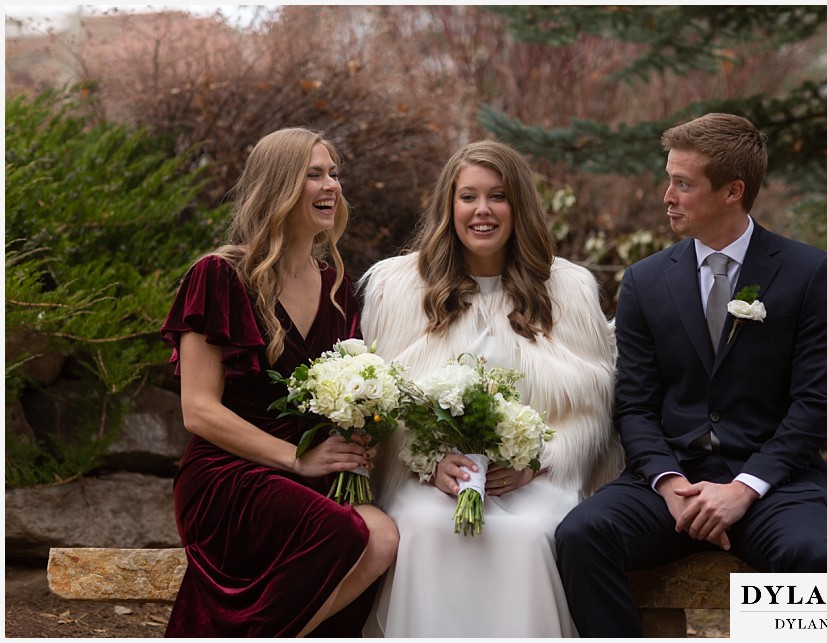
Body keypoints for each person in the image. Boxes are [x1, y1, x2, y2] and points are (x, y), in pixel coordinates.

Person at [555, 113, 827, 636]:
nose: (667, 195)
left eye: (683, 183)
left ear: (733, 190)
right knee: (582, 534)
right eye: (669, 178)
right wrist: (669, 483)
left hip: (774, 485)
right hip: (672, 482)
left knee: (813, 558)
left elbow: (816, 406)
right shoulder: (645, 281)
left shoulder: (809, 274)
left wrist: (744, 488)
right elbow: (637, 406)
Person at [359, 140, 620, 637]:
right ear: (448, 206)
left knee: (525, 535)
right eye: (468, 197)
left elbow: (591, 408)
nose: (483, 210)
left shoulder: (568, 288)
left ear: (517, 205)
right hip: (429, 481)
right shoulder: (398, 289)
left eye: (497, 196)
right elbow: (381, 404)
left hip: (533, 480)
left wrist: (537, 461)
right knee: (426, 530)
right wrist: (427, 462)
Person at [159, 127, 399, 637]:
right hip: (230, 473)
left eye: (333, 173)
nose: (331, 185)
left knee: (382, 538)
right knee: (339, 530)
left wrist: (359, 431)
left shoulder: (336, 287)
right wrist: (295, 458)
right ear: (278, 186)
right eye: (314, 174)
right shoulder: (219, 275)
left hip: (307, 473)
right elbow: (198, 410)